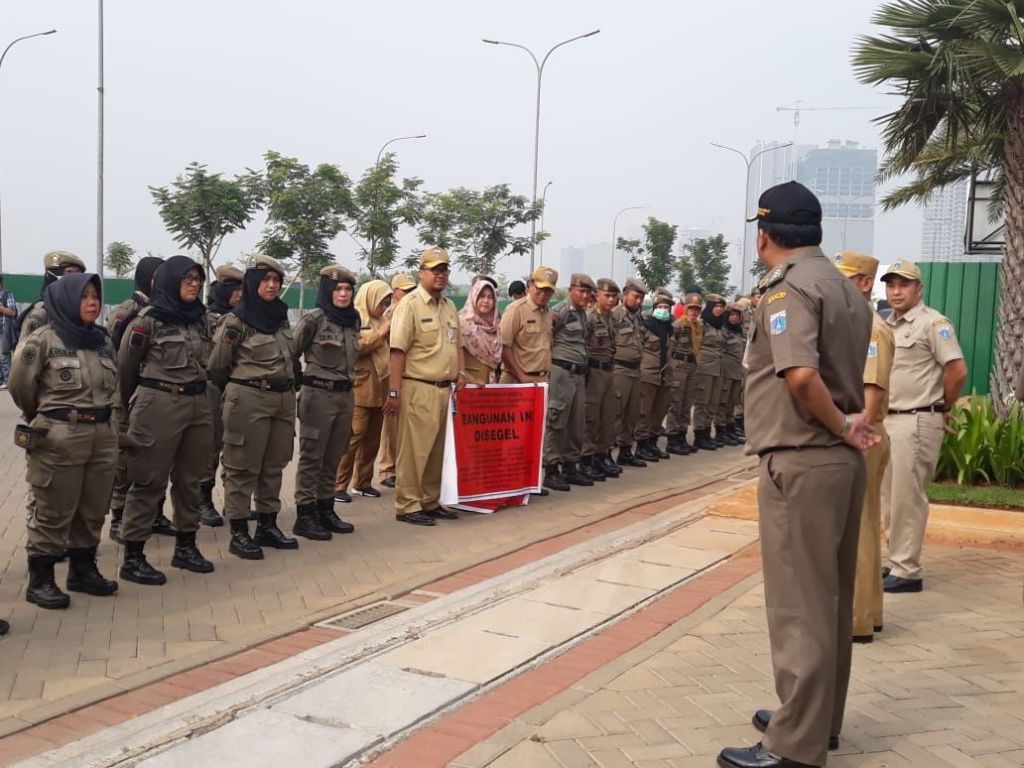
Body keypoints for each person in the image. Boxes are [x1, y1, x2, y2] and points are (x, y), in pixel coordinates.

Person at [719, 181, 877, 768]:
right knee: (828, 599)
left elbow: (802, 379)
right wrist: (848, 430)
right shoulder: (844, 286)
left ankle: (794, 745)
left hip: (804, 456)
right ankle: (816, 719)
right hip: (835, 462)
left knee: (798, 604)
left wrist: (839, 426)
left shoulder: (788, 290)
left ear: (764, 235)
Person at [10, 272, 119, 609]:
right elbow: (20, 387)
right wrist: (47, 418)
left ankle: (83, 570)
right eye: (84, 296)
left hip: (101, 436)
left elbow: (114, 389)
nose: (92, 302)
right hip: (59, 437)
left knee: (93, 507)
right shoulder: (43, 339)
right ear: (67, 300)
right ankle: (41, 579)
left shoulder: (102, 341)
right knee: (53, 509)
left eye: (95, 297)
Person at [117, 255, 216, 584]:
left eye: (197, 278)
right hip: (158, 404)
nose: (193, 283)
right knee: (148, 480)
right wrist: (121, 420)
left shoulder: (201, 321)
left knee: (191, 481)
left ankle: (186, 547)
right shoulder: (147, 322)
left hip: (198, 405)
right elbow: (125, 374)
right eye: (186, 278)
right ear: (171, 280)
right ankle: (133, 556)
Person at [880, 258, 967, 593]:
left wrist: (942, 407)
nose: (896, 291)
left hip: (916, 419)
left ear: (919, 288)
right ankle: (896, 560)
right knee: (889, 496)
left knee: (907, 496)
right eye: (891, 285)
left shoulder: (934, 324)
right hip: (891, 419)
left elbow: (957, 370)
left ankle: (908, 570)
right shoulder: (888, 325)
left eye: (903, 285)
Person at [208, 254, 301, 560]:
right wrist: (240, 390)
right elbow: (218, 366)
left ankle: (267, 525)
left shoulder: (280, 317)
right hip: (248, 398)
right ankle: (238, 532)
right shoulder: (236, 321)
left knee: (274, 465)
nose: (272, 286)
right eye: (265, 280)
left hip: (282, 399)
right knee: (241, 467)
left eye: (276, 281)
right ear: (252, 283)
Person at [833, 251, 894, 643]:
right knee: (865, 523)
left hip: (864, 433)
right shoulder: (857, 324)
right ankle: (868, 612)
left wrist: (854, 434)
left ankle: (856, 618)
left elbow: (870, 396)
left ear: (865, 283)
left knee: (857, 526)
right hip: (863, 433)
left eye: (845, 279)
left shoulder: (870, 329)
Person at [383, 246, 465, 525]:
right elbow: (397, 351)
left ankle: (430, 501)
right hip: (418, 386)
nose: (441, 275)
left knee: (436, 451)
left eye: (444, 270)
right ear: (422, 273)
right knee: (415, 450)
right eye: (435, 270)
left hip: (445, 389)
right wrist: (394, 392)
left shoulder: (449, 306)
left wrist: (461, 372)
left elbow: (458, 344)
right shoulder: (410, 304)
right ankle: (408, 505)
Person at [292, 265, 360, 540]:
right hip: (318, 394)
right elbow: (291, 353)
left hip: (345, 395)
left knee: (334, 456)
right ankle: (305, 515)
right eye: (338, 289)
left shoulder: (353, 319)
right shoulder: (314, 319)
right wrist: (300, 384)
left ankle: (325, 508)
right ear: (328, 291)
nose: (343, 294)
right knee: (312, 457)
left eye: (347, 289)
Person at [106, 255, 166, 542]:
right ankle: (119, 516)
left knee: (156, 454)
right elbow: (114, 353)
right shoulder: (126, 312)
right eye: (156, 276)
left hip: (154, 397)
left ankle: (155, 513)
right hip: (125, 392)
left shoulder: (166, 310)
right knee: (125, 458)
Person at [335, 279, 393, 503]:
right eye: (381, 301)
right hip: (360, 388)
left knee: (372, 440)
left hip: (381, 388)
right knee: (352, 438)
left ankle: (363, 482)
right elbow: (356, 347)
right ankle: (338, 485)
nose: (384, 306)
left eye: (387, 301)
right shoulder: (354, 318)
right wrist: (380, 334)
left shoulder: (382, 320)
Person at [198, 264, 244, 527]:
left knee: (237, 445)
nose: (239, 295)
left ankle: (234, 502)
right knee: (210, 446)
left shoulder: (243, 318)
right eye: (234, 291)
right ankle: (203, 500)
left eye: (241, 290)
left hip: (237, 388)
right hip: (213, 388)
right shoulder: (205, 318)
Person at [544, 274, 595, 489]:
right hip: (561, 372)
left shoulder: (584, 315)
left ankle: (570, 465)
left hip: (578, 374)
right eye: (581, 291)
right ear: (570, 290)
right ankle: (552, 468)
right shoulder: (560, 311)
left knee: (576, 422)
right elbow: (548, 338)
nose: (585, 296)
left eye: (588, 292)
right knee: (557, 420)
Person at [376, 273, 417, 489]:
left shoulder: (415, 311)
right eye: (405, 291)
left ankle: (401, 468)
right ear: (395, 293)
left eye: (412, 290)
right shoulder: (389, 315)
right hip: (391, 376)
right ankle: (386, 469)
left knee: (406, 428)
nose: (410, 294)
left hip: (412, 376)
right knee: (390, 426)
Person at [583, 278, 621, 479]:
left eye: (614, 296)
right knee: (591, 418)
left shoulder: (612, 319)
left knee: (608, 416)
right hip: (593, 371)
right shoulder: (589, 318)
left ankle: (601, 455)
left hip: (609, 371)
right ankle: (586, 459)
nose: (611, 300)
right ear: (596, 295)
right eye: (607, 295)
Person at [633, 291, 675, 462]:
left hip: (665, 374)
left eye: (666, 307)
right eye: (660, 307)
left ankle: (652, 443)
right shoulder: (646, 325)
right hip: (648, 374)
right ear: (654, 308)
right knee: (645, 411)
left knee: (660, 411)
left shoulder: (670, 329)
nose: (663, 310)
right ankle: (641, 446)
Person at [611, 278, 648, 467]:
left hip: (635, 371)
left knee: (632, 414)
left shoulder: (638, 318)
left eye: (642, 298)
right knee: (615, 414)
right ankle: (606, 453)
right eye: (636, 297)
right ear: (624, 295)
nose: (639, 301)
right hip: (619, 369)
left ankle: (625, 451)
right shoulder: (615, 315)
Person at [16, 251, 87, 344]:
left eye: (79, 273)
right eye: (69, 272)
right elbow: (24, 353)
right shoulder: (40, 312)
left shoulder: (81, 312)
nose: (76, 278)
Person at [665, 293, 702, 454]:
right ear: (685, 308)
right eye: (691, 308)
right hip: (679, 365)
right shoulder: (678, 325)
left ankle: (682, 435)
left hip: (692, 364)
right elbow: (670, 348)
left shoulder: (698, 327)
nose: (694, 312)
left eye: (697, 309)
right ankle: (672, 438)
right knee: (676, 402)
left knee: (687, 403)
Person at [692, 293, 727, 450]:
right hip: (704, 368)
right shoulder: (701, 324)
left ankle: (707, 432)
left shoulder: (720, 325)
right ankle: (699, 434)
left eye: (721, 307)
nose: (719, 310)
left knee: (713, 402)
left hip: (718, 368)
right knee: (702, 402)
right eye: (716, 306)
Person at [459, 278, 502, 384]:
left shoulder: (496, 327)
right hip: (468, 388)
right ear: (474, 297)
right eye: (482, 296)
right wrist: (470, 379)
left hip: (491, 388)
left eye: (490, 297)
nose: (486, 301)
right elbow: (452, 359)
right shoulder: (462, 325)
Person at [715, 303, 746, 445]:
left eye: (737, 316)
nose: (734, 318)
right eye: (732, 315)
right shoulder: (723, 330)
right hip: (726, 369)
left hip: (737, 370)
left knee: (733, 401)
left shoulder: (738, 331)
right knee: (723, 400)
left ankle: (729, 427)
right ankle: (720, 431)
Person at [0, 276, 18, 390]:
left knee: (4, 355)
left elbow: (12, 312)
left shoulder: (7, 295)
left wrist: (1, 308)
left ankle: (7, 380)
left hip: (4, 328)